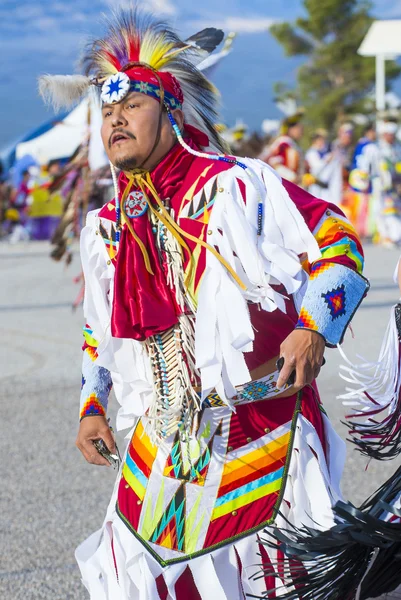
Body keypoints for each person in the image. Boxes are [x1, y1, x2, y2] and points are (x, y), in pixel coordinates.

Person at [40, 8, 372, 599]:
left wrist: (314, 327)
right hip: (162, 446)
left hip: (262, 427)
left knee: (277, 582)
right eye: (107, 113)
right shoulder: (108, 229)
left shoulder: (238, 186)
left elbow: (336, 239)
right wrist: (93, 404)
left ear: (170, 112)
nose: (115, 120)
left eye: (131, 107)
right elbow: (101, 332)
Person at [259, 110, 305, 184]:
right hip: (283, 185)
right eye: (298, 128)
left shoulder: (292, 144)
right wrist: (292, 177)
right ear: (290, 129)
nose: (301, 131)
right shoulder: (283, 143)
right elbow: (273, 163)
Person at [377, 120, 401, 247]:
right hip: (381, 185)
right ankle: (386, 236)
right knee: (381, 210)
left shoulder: (397, 147)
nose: (391, 136)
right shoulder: (378, 148)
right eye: (388, 134)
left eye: (392, 134)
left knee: (393, 209)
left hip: (394, 184)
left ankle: (393, 236)